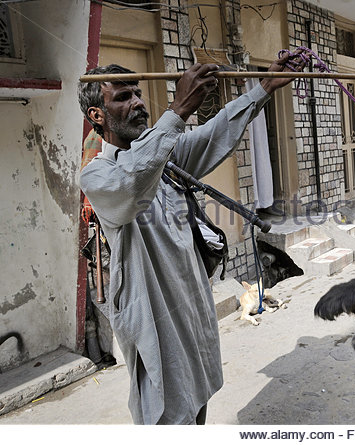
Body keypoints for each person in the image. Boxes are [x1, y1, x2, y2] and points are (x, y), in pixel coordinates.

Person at [78, 51, 307, 425]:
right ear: (97, 116)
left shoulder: (165, 156)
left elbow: (215, 133)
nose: (137, 102)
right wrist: (179, 109)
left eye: (137, 93)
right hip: (155, 319)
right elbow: (131, 185)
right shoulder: (98, 176)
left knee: (196, 400)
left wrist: (264, 88)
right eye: (122, 97)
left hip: (190, 312)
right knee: (165, 413)